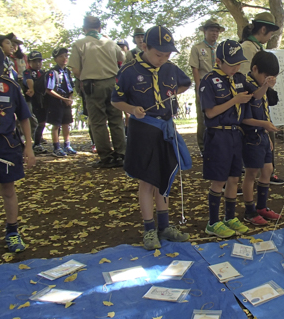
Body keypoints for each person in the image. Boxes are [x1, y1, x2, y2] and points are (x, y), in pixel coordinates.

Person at [112, 25, 192, 251]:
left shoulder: (170, 69)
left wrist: (173, 94)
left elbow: (185, 83)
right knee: (147, 181)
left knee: (165, 179)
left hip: (165, 130)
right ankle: (149, 229)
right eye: (159, 54)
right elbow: (115, 101)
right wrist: (131, 109)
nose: (163, 59)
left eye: (167, 55)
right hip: (143, 131)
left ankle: (164, 226)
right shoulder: (128, 71)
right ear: (144, 46)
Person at [200, 40, 272, 238]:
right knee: (219, 180)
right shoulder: (209, 80)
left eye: (238, 63)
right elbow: (210, 112)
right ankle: (213, 222)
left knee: (234, 178)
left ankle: (230, 217)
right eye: (231, 64)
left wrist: (265, 85)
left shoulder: (240, 78)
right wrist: (234, 100)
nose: (236, 68)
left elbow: (256, 96)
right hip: (218, 134)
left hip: (235, 134)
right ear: (218, 61)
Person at [0, 40, 36, 253]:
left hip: (6, 144)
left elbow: (24, 117)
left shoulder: (10, 85)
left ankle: (12, 231)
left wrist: (28, 146)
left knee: (8, 188)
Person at [69, 15, 126, 168]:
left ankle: (106, 156)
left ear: (84, 29)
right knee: (116, 119)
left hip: (93, 85)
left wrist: (84, 79)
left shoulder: (79, 44)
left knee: (98, 122)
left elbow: (75, 69)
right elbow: (122, 58)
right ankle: (121, 153)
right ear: (100, 28)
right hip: (113, 83)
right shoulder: (110, 43)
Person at [239, 12, 284, 186]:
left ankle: (266, 173)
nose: (271, 36)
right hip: (251, 107)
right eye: (271, 32)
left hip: (261, 102)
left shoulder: (256, 47)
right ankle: (253, 177)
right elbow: (246, 80)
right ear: (263, 29)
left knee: (267, 140)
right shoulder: (247, 48)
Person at [241, 51, 281, 226]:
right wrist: (264, 125)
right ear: (255, 69)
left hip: (262, 136)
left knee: (268, 170)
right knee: (251, 173)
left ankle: (261, 207)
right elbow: (243, 119)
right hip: (250, 136)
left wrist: (267, 133)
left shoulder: (261, 87)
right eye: (266, 77)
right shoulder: (246, 85)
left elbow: (264, 109)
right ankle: (249, 211)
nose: (268, 81)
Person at [189, 18, 224, 155]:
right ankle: (204, 147)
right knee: (203, 118)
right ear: (205, 31)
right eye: (211, 31)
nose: (214, 34)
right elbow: (195, 69)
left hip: (219, 86)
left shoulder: (220, 49)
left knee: (219, 115)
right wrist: (199, 89)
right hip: (204, 86)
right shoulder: (197, 48)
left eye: (216, 31)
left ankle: (217, 144)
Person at [45, 47, 76, 157]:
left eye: (66, 56)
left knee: (66, 124)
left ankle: (67, 145)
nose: (64, 58)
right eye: (61, 56)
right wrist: (63, 99)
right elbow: (49, 90)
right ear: (55, 59)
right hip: (56, 102)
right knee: (56, 125)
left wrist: (70, 98)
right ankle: (56, 147)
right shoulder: (52, 72)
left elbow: (71, 87)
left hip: (66, 101)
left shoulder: (67, 71)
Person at [22, 51, 48, 154]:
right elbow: (29, 81)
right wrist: (31, 89)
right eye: (35, 62)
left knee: (43, 122)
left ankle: (38, 142)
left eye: (39, 61)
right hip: (32, 100)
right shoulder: (27, 72)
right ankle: (35, 143)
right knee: (36, 122)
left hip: (42, 100)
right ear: (29, 62)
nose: (37, 64)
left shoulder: (43, 73)